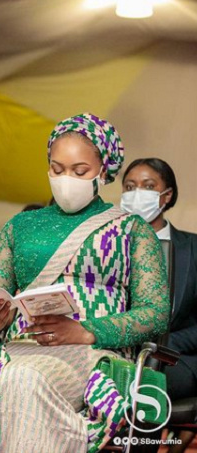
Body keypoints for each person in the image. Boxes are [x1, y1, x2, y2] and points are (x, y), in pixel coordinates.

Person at [0, 113, 170, 453]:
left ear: (104, 172)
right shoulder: (20, 226)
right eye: (57, 168)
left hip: (94, 352)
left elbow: (155, 313)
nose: (67, 179)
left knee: (22, 382)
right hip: (20, 347)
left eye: (80, 171)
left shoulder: (132, 229)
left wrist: (87, 331)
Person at [121, 158, 197, 453]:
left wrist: (159, 343)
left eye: (148, 186)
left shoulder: (192, 249)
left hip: (177, 359)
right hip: (115, 353)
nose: (136, 192)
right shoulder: (109, 244)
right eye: (129, 186)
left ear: (166, 196)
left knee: (146, 381)